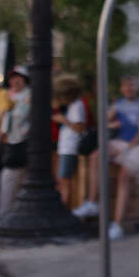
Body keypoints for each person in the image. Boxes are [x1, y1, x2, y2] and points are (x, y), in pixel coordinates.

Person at [93, 76, 139, 236]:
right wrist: (112, 124)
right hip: (122, 142)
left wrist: (126, 149)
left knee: (123, 176)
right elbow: (103, 121)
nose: (128, 88)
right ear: (121, 89)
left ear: (136, 88)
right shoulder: (118, 104)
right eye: (125, 86)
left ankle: (117, 225)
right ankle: (92, 202)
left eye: (131, 85)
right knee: (96, 156)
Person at [0, 67, 31, 220]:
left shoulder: (29, 95)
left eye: (19, 77)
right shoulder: (8, 96)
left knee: (12, 183)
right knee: (10, 185)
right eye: (12, 78)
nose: (14, 81)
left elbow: (20, 117)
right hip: (11, 145)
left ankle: (6, 218)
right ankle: (7, 218)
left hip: (23, 145)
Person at [52, 76, 87, 205]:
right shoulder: (72, 105)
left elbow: (80, 128)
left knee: (64, 180)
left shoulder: (77, 105)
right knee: (61, 180)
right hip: (64, 147)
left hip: (70, 148)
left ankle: (62, 207)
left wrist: (63, 120)